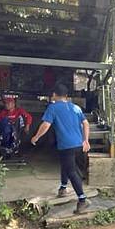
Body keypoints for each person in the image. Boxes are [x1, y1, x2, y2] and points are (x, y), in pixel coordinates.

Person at [31, 83, 91, 214]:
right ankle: (63, 188)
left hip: (66, 145)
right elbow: (86, 123)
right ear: (66, 95)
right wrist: (86, 140)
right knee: (66, 165)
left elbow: (46, 125)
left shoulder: (53, 108)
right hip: (78, 145)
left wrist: (36, 137)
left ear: (54, 94)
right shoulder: (76, 107)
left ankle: (82, 199)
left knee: (71, 171)